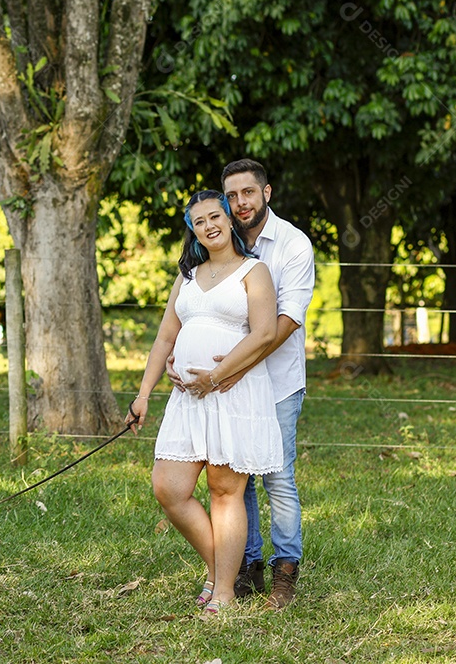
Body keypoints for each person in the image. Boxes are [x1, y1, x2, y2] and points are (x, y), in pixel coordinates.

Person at [126, 189, 284, 615]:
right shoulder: (189, 275)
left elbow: (264, 334)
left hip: (233, 392)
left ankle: (225, 592)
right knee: (169, 487)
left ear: (231, 219)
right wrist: (144, 394)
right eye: (199, 221)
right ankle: (220, 570)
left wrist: (215, 375)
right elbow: (165, 337)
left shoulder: (255, 271)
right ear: (193, 230)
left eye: (215, 216)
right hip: (186, 399)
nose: (209, 225)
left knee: (223, 491)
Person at [169, 159, 315, 610]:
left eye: (247, 193)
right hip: (221, 388)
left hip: (275, 381)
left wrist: (232, 369)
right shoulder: (218, 246)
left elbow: (283, 323)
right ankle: (243, 566)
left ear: (266, 193)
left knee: (278, 477)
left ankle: (284, 569)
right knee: (234, 478)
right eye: (230, 196)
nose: (239, 203)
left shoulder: (292, 245)